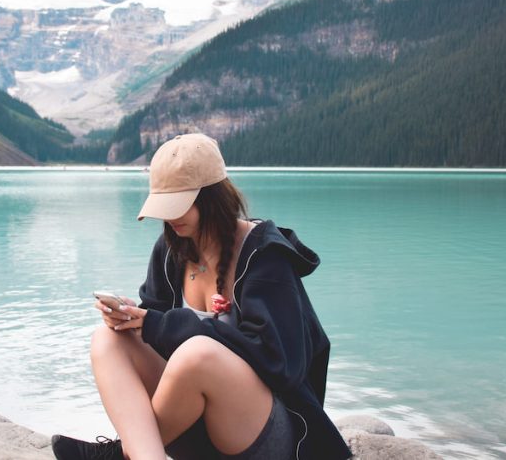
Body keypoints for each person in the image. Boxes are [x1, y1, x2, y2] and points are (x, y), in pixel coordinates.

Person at [51, 134, 350, 460]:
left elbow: (282, 366)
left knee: (198, 354)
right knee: (107, 340)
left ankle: (120, 454)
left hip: (265, 434)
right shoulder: (170, 250)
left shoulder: (264, 255)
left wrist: (168, 326)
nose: (170, 218)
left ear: (212, 197)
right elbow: (158, 326)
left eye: (178, 205)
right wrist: (133, 319)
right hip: (194, 427)